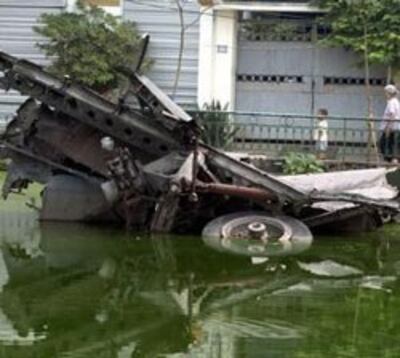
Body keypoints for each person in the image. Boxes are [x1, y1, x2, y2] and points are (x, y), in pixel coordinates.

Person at [379, 84, 400, 162]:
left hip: (392, 128)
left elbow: (392, 114)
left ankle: (390, 160)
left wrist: (388, 127)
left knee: (384, 144)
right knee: (393, 145)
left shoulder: (391, 102)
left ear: (389, 93)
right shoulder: (396, 102)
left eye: (386, 93)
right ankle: (393, 160)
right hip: (396, 127)